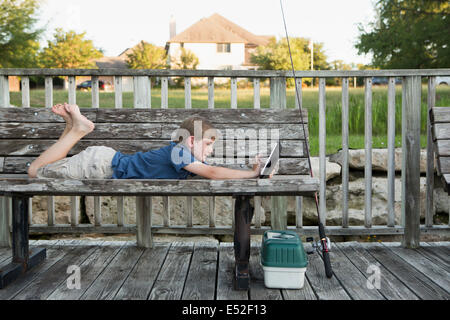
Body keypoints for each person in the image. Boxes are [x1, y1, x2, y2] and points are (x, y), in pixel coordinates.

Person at [27, 103, 272, 180]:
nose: (209, 151)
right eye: (208, 145)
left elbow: (212, 170)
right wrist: (251, 174)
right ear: (192, 140)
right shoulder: (180, 154)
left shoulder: (183, 158)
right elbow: (212, 171)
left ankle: (73, 127)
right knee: (34, 172)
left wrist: (255, 170)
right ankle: (77, 130)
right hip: (99, 165)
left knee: (43, 169)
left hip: (101, 162)